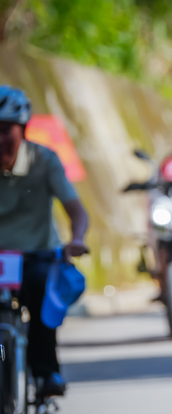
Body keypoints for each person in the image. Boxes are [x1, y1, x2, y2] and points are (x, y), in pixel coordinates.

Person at [0, 86, 89, 397]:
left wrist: (76, 239)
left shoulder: (44, 160)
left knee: (40, 295)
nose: (0, 140)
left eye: (5, 130)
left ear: (22, 129)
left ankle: (46, 370)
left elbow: (76, 210)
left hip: (35, 256)